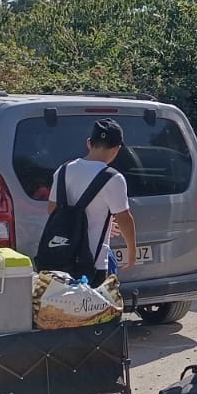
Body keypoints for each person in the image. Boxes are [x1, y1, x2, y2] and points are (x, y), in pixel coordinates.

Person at [48, 118, 137, 280]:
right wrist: (132, 252)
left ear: (89, 143)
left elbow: (52, 210)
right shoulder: (113, 178)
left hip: (60, 258)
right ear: (117, 149)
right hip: (94, 264)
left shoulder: (63, 170)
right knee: (95, 305)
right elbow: (124, 218)